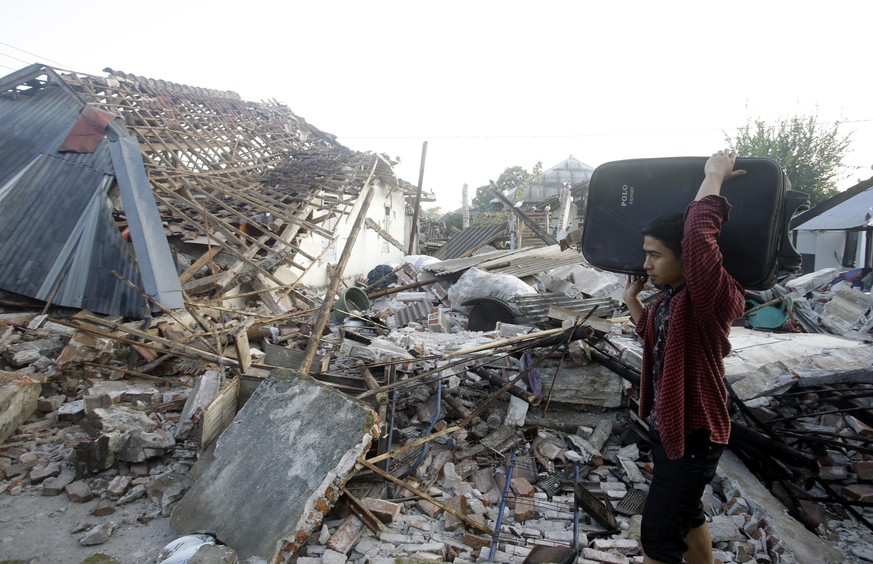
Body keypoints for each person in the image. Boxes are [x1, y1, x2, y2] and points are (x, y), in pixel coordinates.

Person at [622, 149, 746, 564]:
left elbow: (697, 236)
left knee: (659, 536)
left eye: (655, 254)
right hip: (672, 431)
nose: (646, 264)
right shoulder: (667, 301)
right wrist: (632, 300)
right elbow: (651, 335)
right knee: (687, 514)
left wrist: (714, 175)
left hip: (694, 434)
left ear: (686, 259)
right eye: (645, 254)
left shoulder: (707, 298)